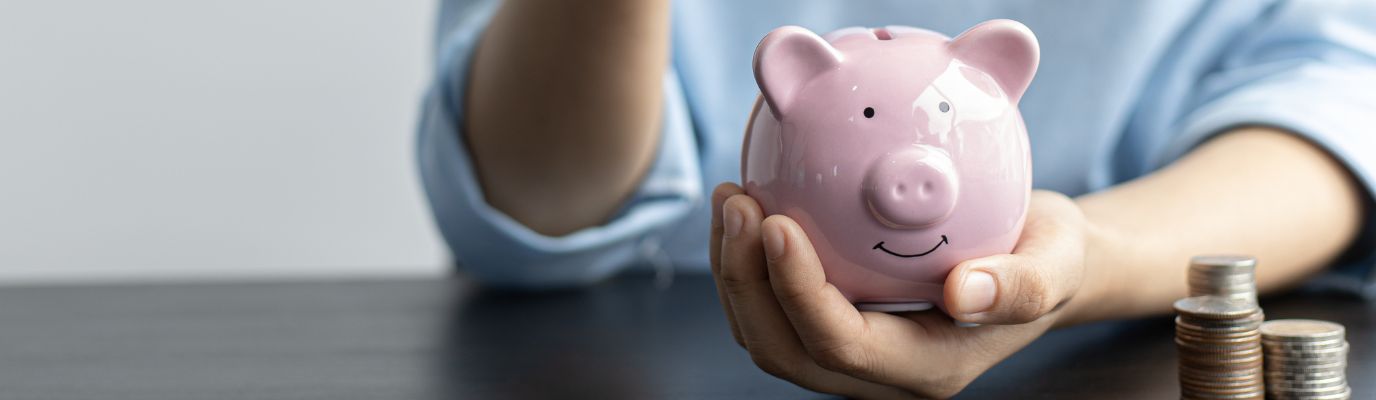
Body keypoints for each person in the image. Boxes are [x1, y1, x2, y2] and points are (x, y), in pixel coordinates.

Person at [418, 1, 1376, 398]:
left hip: (1117, 337)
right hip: (640, 354)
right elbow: (526, 196)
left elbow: (1334, 93)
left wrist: (1087, 251)